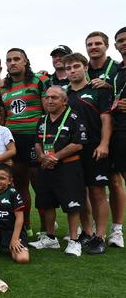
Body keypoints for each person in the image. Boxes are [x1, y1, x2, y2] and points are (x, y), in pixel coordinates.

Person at [29, 86, 86, 256]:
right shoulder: (42, 119)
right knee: (46, 203)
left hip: (68, 167)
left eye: (54, 97)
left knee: (72, 205)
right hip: (46, 167)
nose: (49, 101)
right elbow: (37, 142)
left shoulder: (74, 117)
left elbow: (78, 143)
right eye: (47, 97)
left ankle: (74, 241)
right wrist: (42, 157)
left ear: (64, 100)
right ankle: (50, 238)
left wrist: (56, 157)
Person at [64, 55, 113, 254]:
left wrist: (104, 144)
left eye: (77, 66)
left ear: (85, 67)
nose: (73, 70)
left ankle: (100, 236)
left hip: (94, 149)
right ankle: (87, 232)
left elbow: (106, 120)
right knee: (79, 193)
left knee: (97, 193)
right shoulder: (64, 94)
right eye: (69, 68)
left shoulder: (97, 90)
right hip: (73, 149)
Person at [0, 48, 49, 236]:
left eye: (16, 59)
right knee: (20, 186)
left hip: (35, 138)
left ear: (25, 61)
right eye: (9, 60)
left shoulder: (39, 80)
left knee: (40, 185)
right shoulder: (4, 88)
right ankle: (26, 225)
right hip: (14, 140)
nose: (12, 63)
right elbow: (3, 118)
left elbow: (49, 109)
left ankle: (46, 229)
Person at [86, 31, 125, 248]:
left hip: (116, 130)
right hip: (91, 135)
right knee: (93, 185)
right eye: (90, 44)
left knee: (115, 180)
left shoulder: (118, 68)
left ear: (107, 46)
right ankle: (91, 226)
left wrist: (109, 87)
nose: (94, 47)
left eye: (98, 43)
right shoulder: (84, 69)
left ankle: (117, 230)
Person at [108, 27, 126, 248]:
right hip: (116, 131)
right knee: (114, 180)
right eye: (120, 40)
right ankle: (117, 230)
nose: (123, 43)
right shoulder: (116, 71)